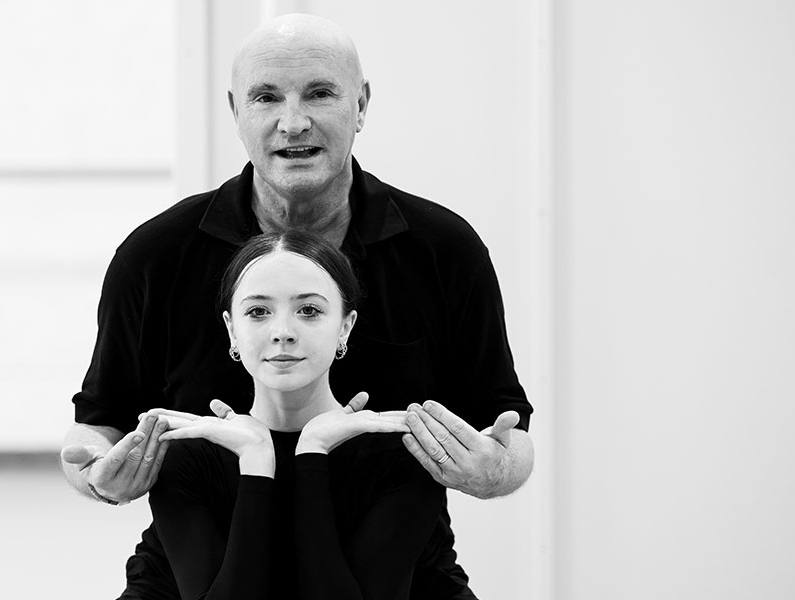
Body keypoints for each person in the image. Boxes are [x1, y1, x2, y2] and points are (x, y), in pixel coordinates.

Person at [61, 13, 535, 599]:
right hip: (194, 577)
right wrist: (101, 479)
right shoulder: (156, 255)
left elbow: (507, 435)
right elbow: (97, 428)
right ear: (236, 110)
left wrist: (493, 472)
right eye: (266, 97)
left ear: (360, 104)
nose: (293, 121)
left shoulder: (442, 249)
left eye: (319, 93)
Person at [148, 230, 445, 600]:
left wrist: (312, 453)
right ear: (231, 330)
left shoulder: (401, 455)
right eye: (258, 312)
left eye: (309, 310)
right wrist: (256, 462)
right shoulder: (188, 457)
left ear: (345, 327)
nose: (283, 333)